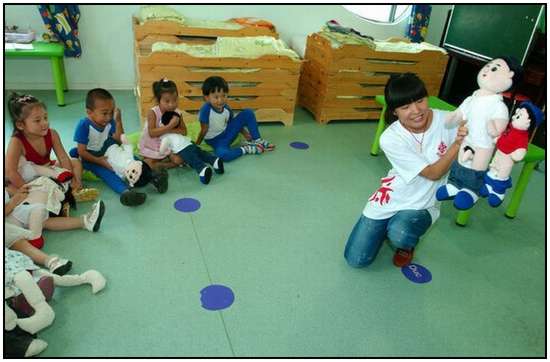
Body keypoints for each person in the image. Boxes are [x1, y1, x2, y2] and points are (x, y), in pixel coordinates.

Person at [344, 73, 468, 268]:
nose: (416, 110)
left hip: (422, 205)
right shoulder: (390, 138)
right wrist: (457, 145)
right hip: (392, 197)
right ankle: (388, 227)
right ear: (395, 111)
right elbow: (433, 173)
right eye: (405, 107)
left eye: (420, 101)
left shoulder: (447, 121)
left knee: (400, 233)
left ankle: (405, 245)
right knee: (356, 260)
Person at [69, 88, 167, 206]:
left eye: (111, 112)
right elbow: (82, 151)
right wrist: (99, 161)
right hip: (91, 157)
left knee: (133, 160)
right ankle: (126, 192)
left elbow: (119, 139)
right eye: (104, 113)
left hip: (109, 147)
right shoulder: (84, 125)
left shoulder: (109, 120)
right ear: (89, 112)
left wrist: (118, 121)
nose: (108, 116)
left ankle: (153, 177)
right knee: (107, 173)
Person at [141, 78, 224, 184]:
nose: (172, 104)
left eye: (175, 100)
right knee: (147, 163)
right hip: (153, 143)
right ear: (158, 101)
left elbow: (184, 131)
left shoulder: (177, 113)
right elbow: (152, 133)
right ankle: (161, 165)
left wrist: (173, 130)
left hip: (170, 145)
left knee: (179, 159)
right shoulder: (152, 112)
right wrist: (170, 127)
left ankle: (170, 163)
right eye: (167, 101)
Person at [5, 93, 84, 193]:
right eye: (37, 120)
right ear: (20, 125)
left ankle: (76, 186)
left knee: (75, 162)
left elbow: (63, 157)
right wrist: (28, 190)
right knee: (9, 189)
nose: (44, 123)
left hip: (48, 168)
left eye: (45, 118)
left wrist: (71, 177)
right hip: (28, 176)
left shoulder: (52, 134)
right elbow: (11, 171)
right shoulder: (16, 141)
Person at [195, 76, 275, 162]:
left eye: (224, 96)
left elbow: (232, 123)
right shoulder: (206, 110)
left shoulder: (226, 108)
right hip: (216, 141)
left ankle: (257, 140)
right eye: (216, 97)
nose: (221, 100)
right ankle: (246, 149)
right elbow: (204, 129)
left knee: (248, 112)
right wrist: (196, 145)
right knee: (223, 155)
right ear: (207, 98)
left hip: (227, 133)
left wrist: (245, 133)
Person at [5, 182, 105, 250]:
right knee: (39, 212)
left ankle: (85, 222)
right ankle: (34, 239)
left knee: (42, 218)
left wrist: (19, 194)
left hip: (13, 213)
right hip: (8, 222)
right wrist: (14, 201)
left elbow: (15, 192)